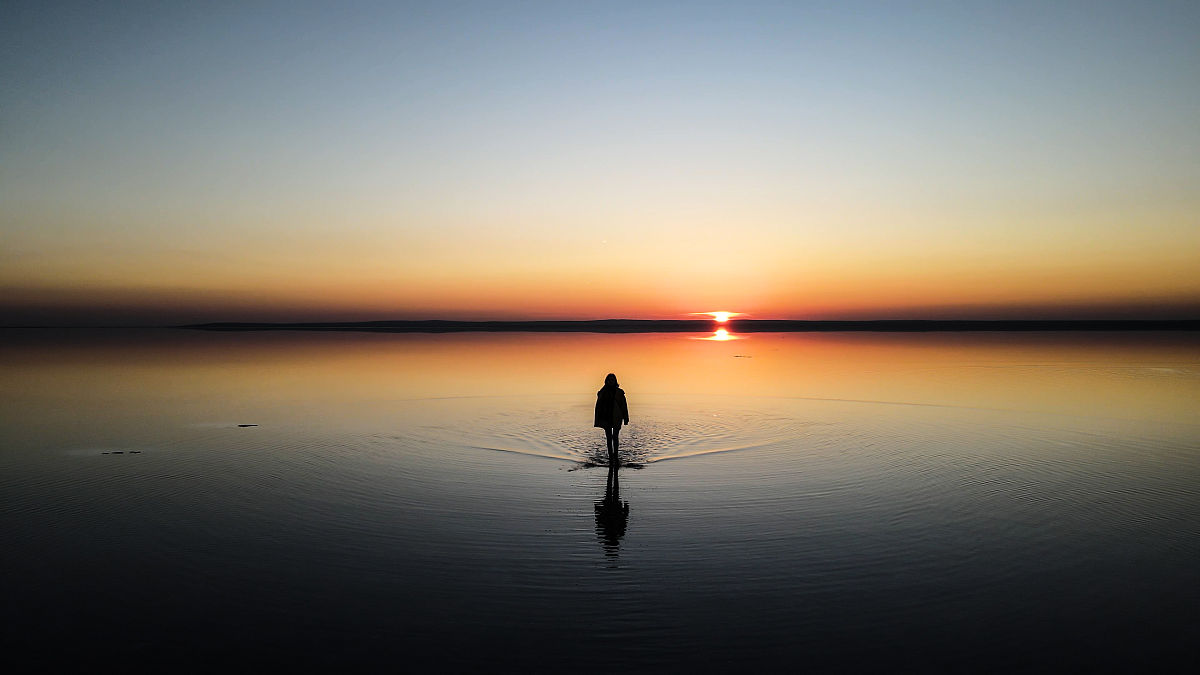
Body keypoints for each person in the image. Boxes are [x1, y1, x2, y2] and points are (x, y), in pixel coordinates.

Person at [594, 373, 629, 465]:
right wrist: (598, 418)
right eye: (609, 380)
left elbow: (624, 406)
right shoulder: (602, 392)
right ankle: (610, 458)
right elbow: (598, 407)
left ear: (615, 381)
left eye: (612, 380)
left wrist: (626, 418)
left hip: (617, 417)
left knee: (615, 437)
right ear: (606, 381)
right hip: (606, 417)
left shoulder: (619, 392)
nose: (611, 381)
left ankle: (616, 456)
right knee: (609, 438)